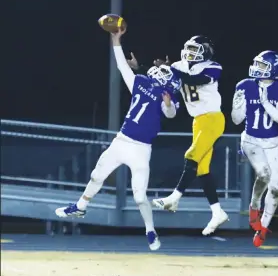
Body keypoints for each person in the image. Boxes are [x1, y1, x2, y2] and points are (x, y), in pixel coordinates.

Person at [55, 28, 181, 251]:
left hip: (141, 148)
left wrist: (169, 104)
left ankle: (150, 231)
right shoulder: (140, 83)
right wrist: (116, 41)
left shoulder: (168, 96)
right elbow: (122, 66)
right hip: (122, 140)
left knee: (140, 197)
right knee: (96, 175)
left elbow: (170, 113)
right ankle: (81, 206)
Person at [151, 35, 229, 236]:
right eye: (187, 48)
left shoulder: (213, 67)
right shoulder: (178, 65)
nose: (189, 53)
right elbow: (165, 78)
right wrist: (143, 68)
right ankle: (217, 212)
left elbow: (197, 79)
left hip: (213, 119)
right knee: (202, 169)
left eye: (194, 50)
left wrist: (173, 72)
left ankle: (174, 198)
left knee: (191, 155)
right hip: (197, 121)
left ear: (205, 52)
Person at [231, 50, 278, 247]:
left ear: (273, 68)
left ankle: (263, 228)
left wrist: (265, 102)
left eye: (262, 65)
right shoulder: (245, 85)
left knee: (277, 186)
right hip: (250, 140)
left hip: (272, 142)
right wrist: (236, 107)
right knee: (264, 174)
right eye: (256, 64)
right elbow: (236, 120)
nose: (257, 69)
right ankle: (254, 205)